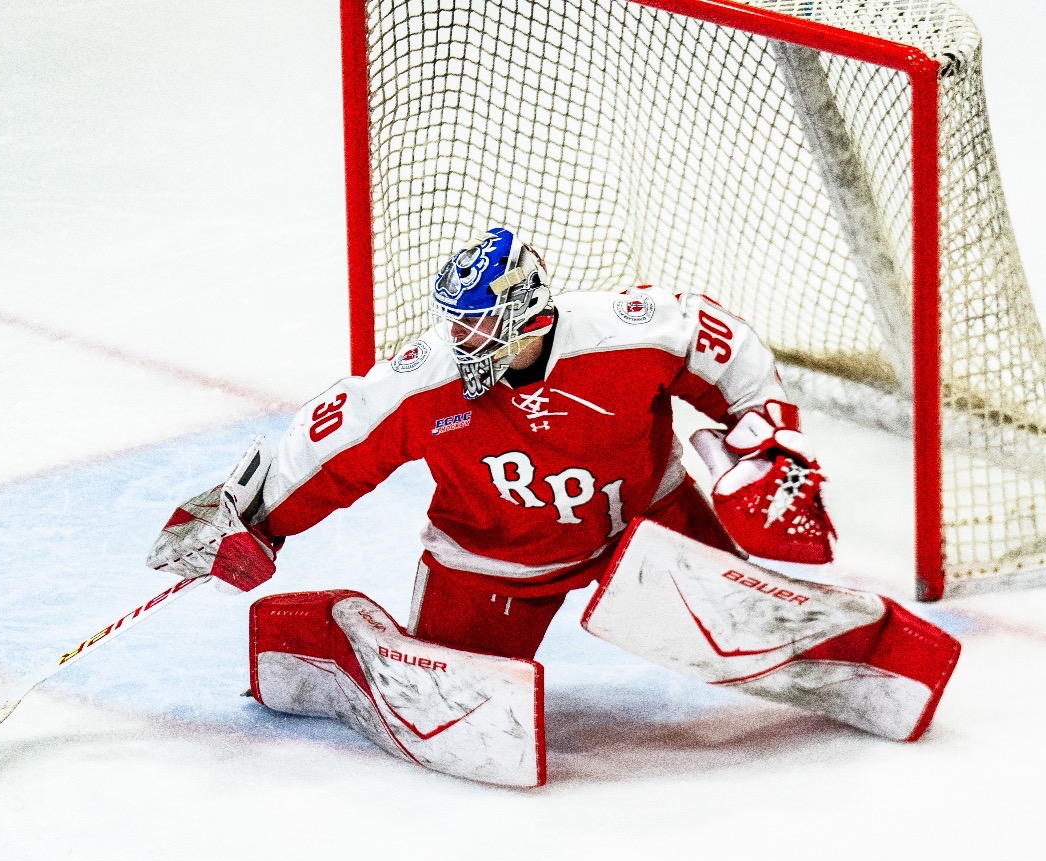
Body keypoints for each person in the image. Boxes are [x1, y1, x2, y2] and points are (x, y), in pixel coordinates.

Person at [139, 227, 956, 786]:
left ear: (530, 315)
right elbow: (327, 444)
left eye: (480, 325)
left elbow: (728, 348)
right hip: (491, 559)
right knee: (458, 706)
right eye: (457, 324)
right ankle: (329, 640)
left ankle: (864, 650)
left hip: (644, 523)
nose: (462, 341)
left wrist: (764, 433)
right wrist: (253, 517)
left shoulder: (628, 332)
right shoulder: (424, 382)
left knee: (742, 616)